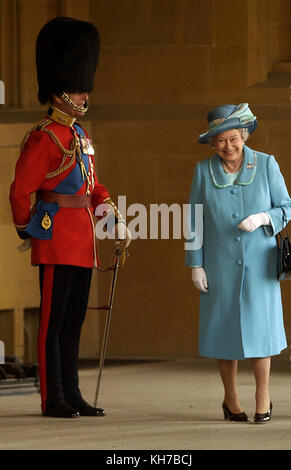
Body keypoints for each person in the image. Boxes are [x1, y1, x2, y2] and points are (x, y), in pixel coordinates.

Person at [9, 17, 130, 418]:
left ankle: (73, 394)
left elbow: (94, 188)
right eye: (78, 88)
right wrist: (27, 228)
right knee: (52, 323)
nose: (84, 94)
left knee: (73, 322)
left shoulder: (81, 137)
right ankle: (52, 396)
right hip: (55, 237)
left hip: (82, 241)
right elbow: (20, 190)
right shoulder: (44, 137)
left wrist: (112, 216)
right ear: (60, 91)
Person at [185, 103, 291, 423]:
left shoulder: (266, 164)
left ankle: (263, 395)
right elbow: (194, 220)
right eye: (220, 141)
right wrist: (196, 264)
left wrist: (264, 217)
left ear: (244, 135)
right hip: (218, 264)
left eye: (234, 139)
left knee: (261, 332)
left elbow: (286, 207)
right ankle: (230, 399)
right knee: (223, 333)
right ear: (212, 142)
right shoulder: (203, 171)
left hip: (260, 264)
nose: (229, 147)